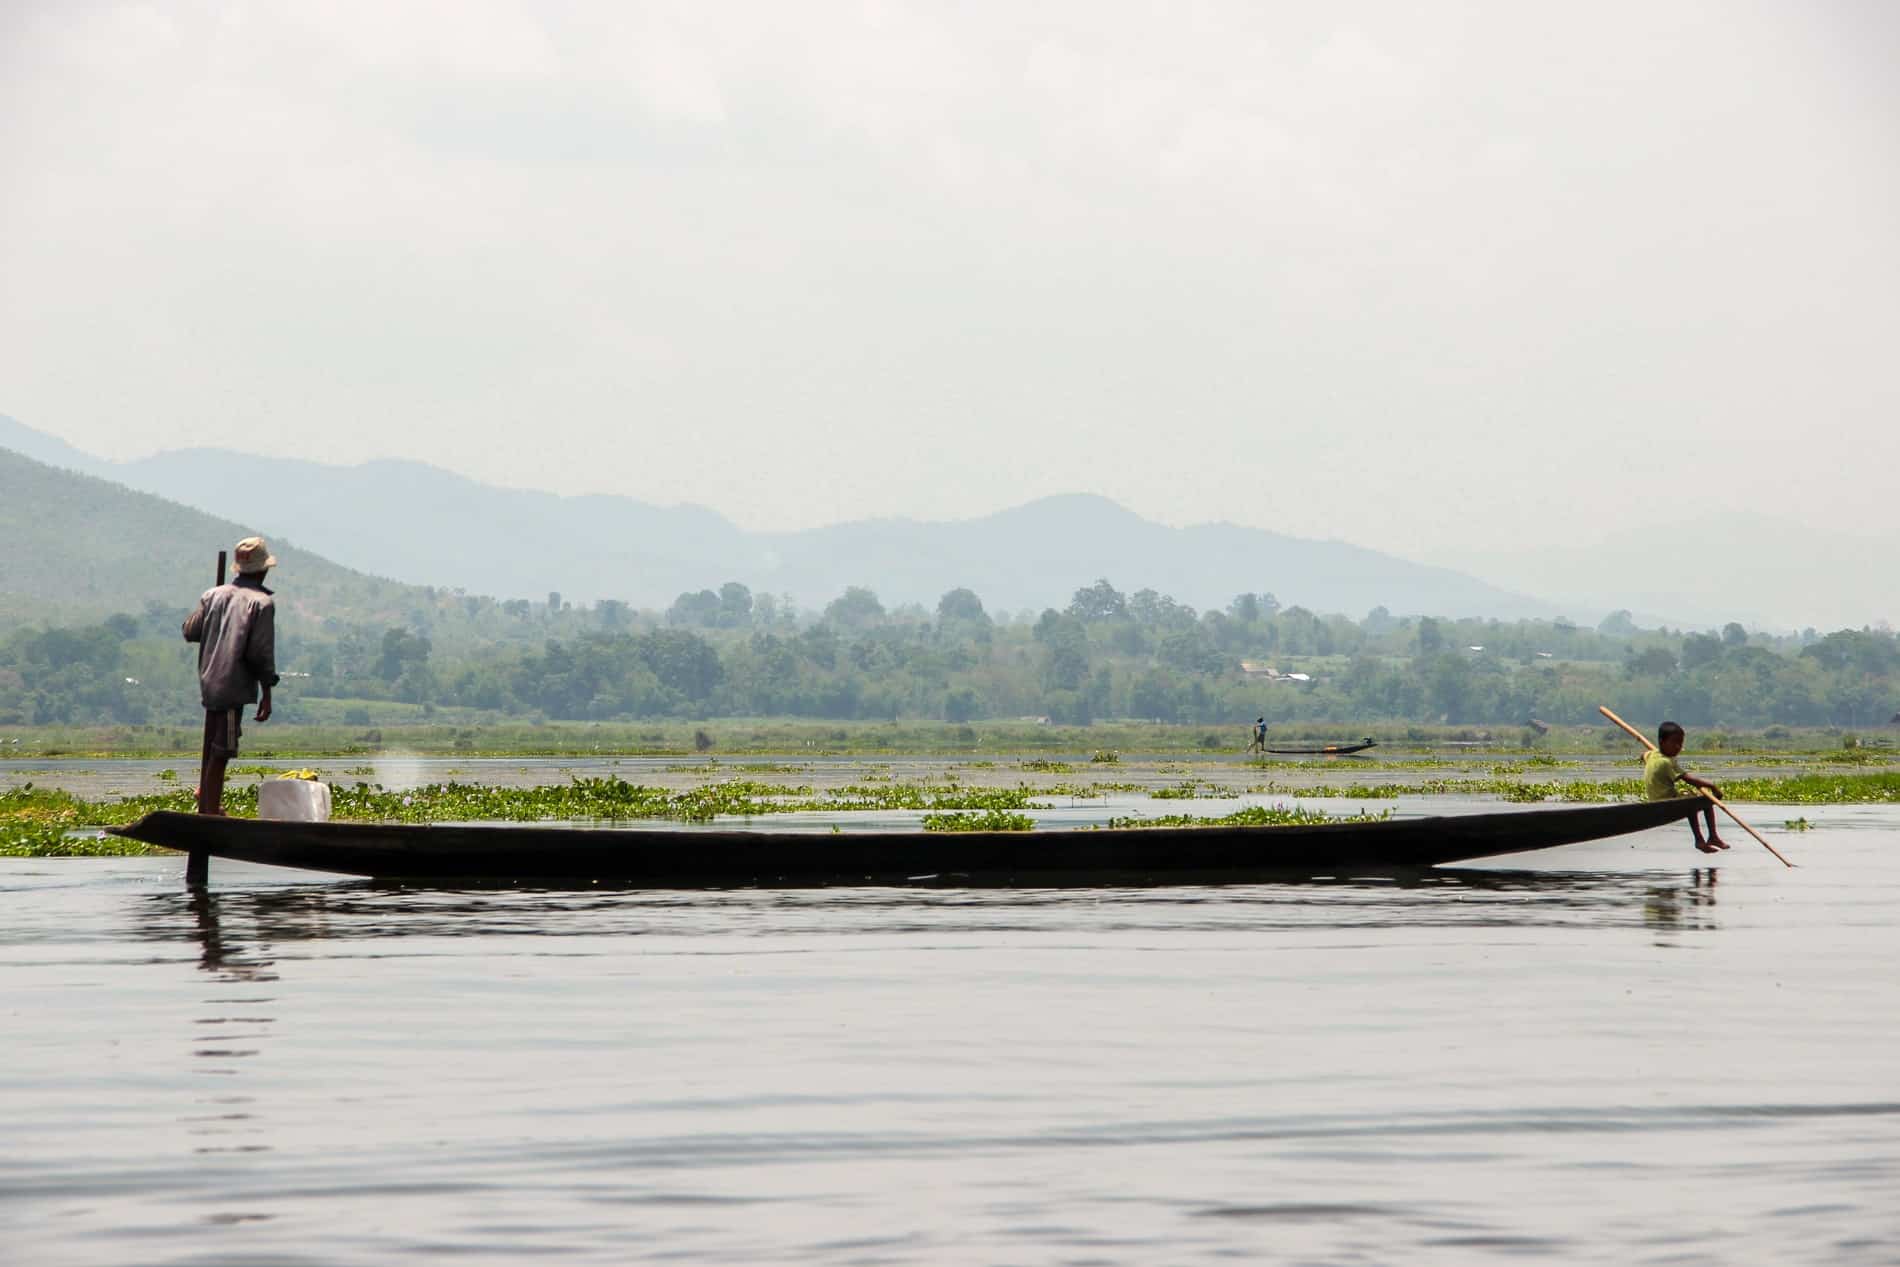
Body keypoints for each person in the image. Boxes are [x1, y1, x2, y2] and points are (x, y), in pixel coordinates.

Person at [183, 537, 280, 814]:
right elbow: (259, 654)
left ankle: (207, 797)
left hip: (210, 680)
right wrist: (267, 693)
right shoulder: (261, 603)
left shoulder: (213, 595)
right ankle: (209, 806)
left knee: (217, 741)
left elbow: (190, 630)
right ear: (263, 570)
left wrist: (215, 608)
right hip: (231, 684)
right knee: (223, 747)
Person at [1644, 721, 1727, 854]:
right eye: (1674, 742)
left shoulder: (1652, 755)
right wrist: (1712, 786)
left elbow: (1644, 754)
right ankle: (1705, 838)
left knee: (1691, 798)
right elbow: (1688, 779)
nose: (1678, 747)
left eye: (1680, 743)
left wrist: (1645, 755)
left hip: (1654, 800)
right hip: (1666, 803)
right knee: (1704, 800)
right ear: (1662, 741)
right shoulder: (1666, 762)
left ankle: (1710, 837)